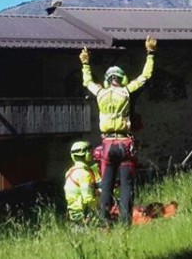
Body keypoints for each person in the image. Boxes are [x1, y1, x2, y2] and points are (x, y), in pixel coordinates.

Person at [79, 36, 156, 225]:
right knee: (126, 186)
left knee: (106, 185)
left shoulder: (100, 92)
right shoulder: (127, 91)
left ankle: (104, 223)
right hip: (125, 144)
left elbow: (87, 81)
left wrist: (86, 63)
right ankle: (125, 223)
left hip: (107, 145)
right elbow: (145, 76)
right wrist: (151, 53)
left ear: (107, 80)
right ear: (121, 78)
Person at [64, 141, 99, 224]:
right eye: (90, 151)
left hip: (72, 213)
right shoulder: (84, 174)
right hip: (83, 215)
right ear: (86, 154)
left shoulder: (70, 172)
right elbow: (88, 199)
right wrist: (102, 206)